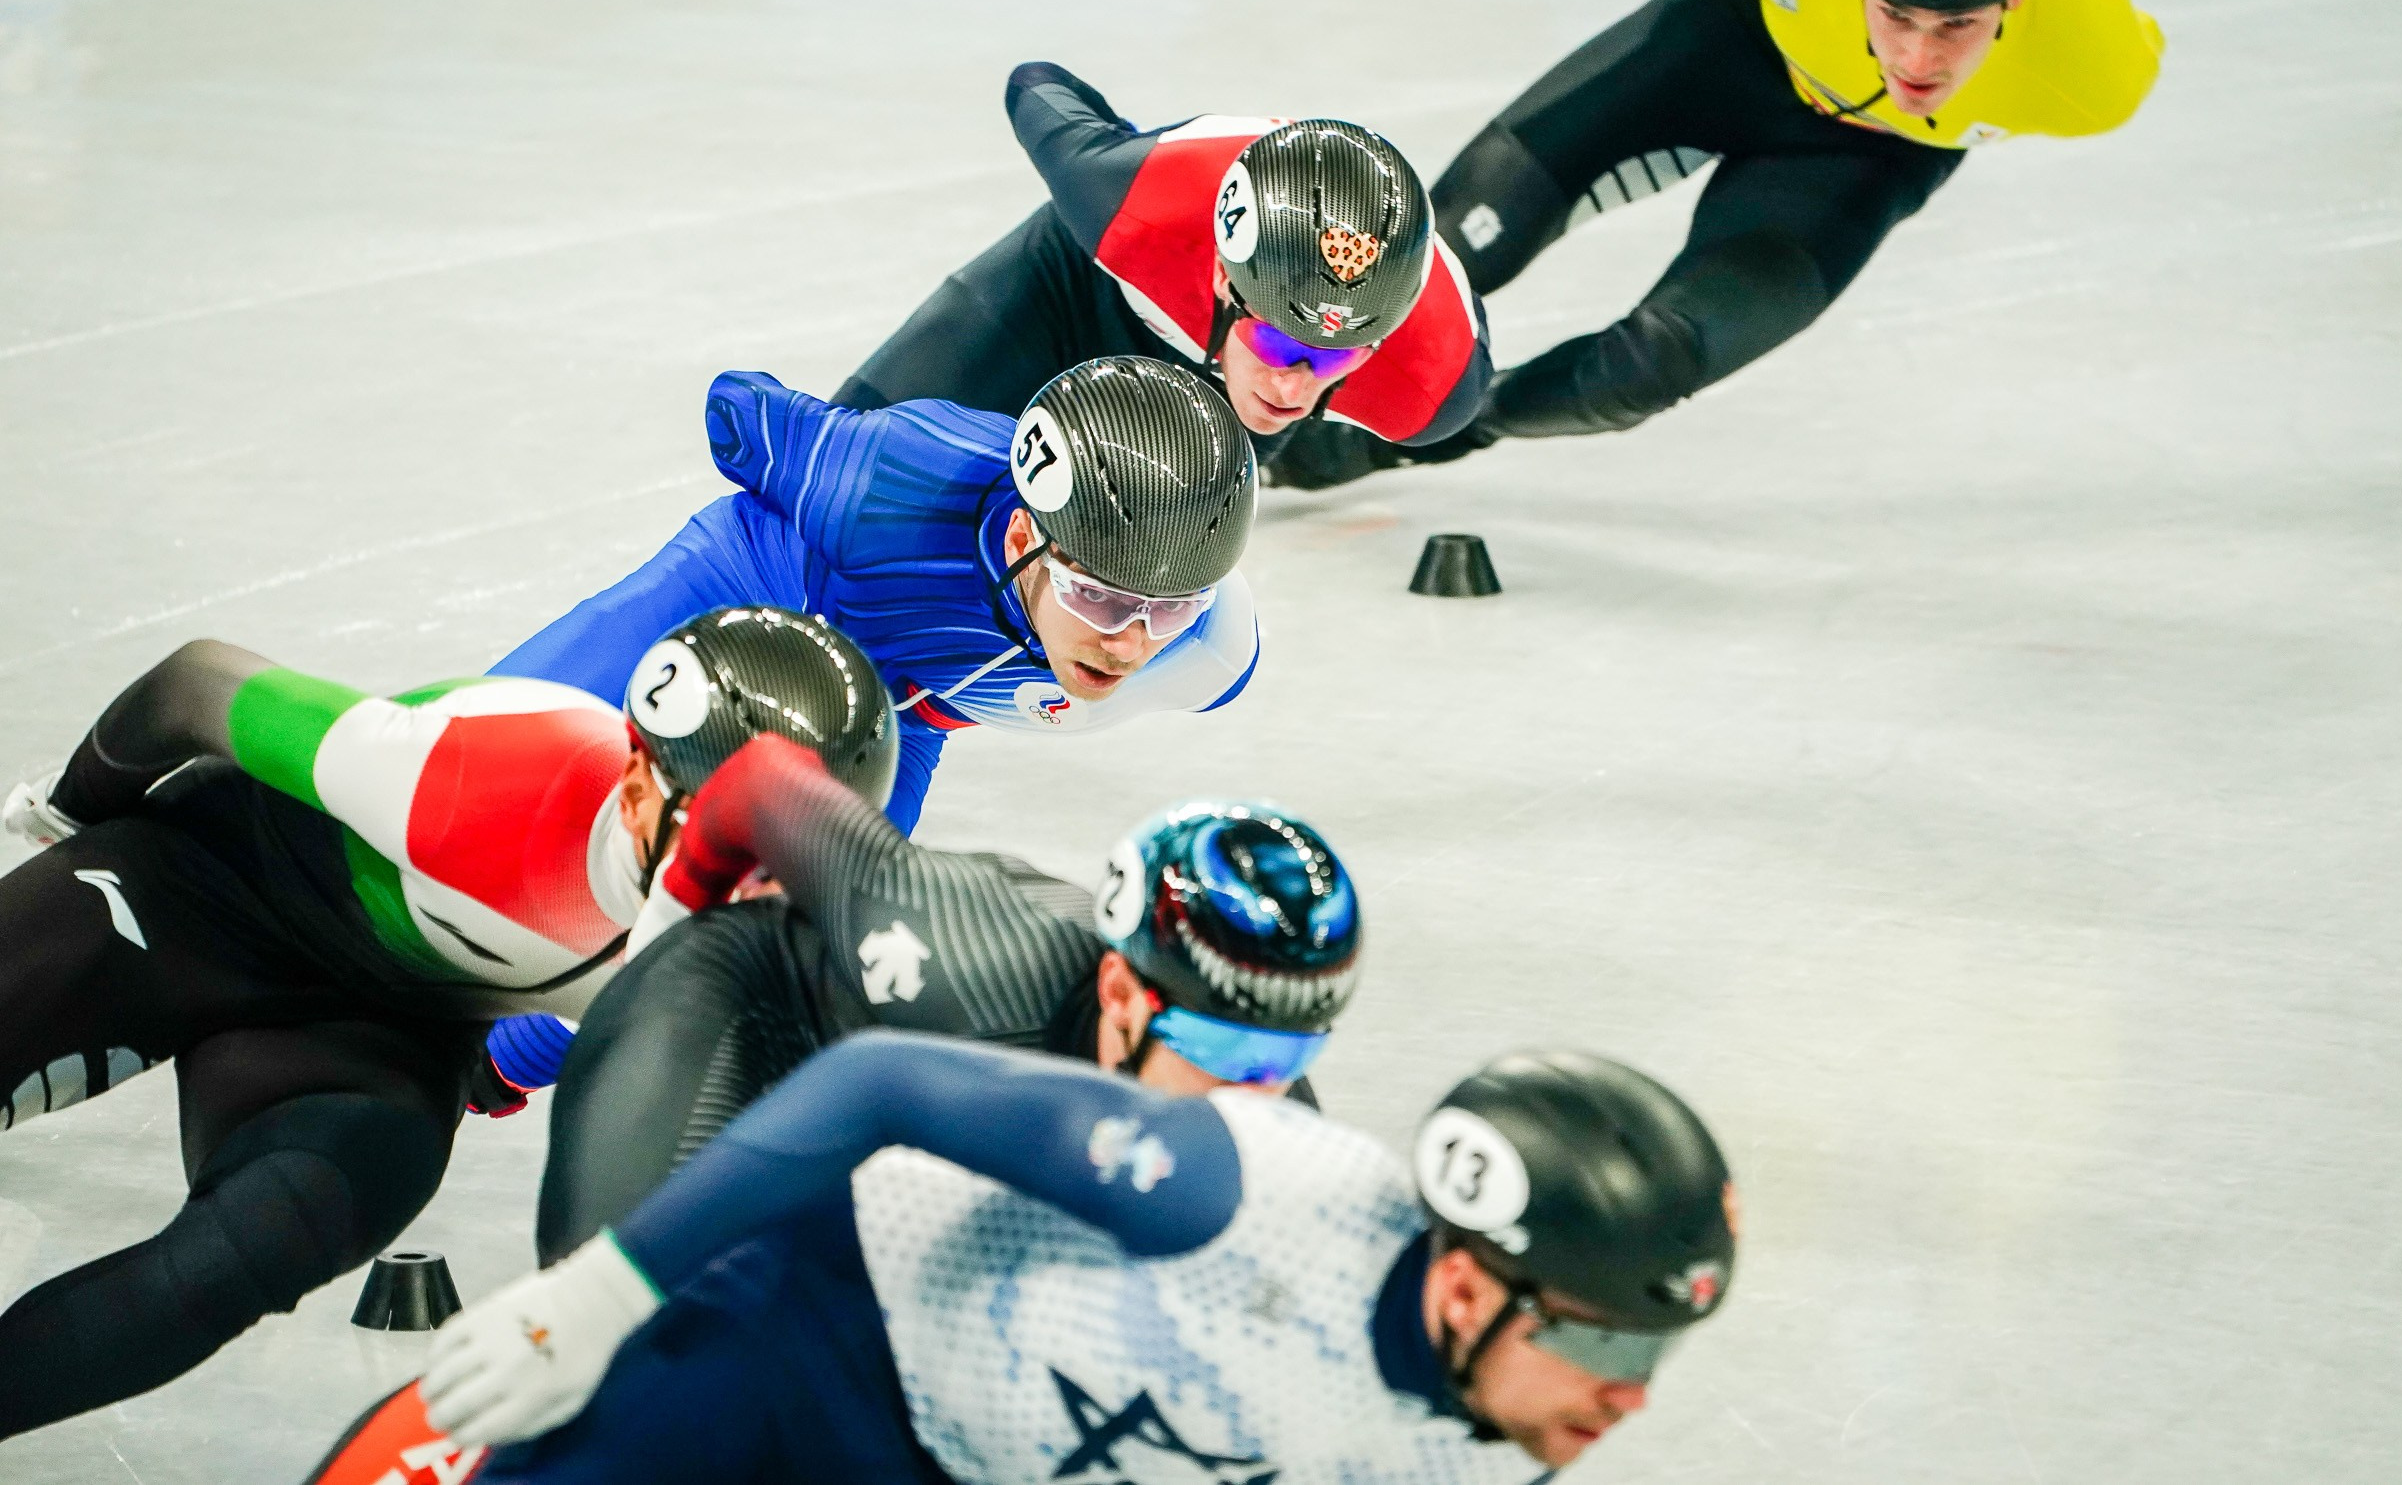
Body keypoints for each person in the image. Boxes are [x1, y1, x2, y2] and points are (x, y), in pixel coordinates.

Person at [302, 758, 1368, 1485]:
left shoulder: (1263, 1122)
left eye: (1292, 1057)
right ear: (1125, 996)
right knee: (622, 1353)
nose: (1260, 1090)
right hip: (737, 1010)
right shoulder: (960, 941)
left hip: (909, 1127)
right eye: (1228, 1051)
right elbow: (761, 779)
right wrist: (666, 926)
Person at [0, 607, 891, 1441]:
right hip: (196, 890)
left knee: (259, 1244)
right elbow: (192, 686)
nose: (756, 890)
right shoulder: (475, 775)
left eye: (803, 850)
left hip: (387, 1038)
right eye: (729, 844)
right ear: (633, 789)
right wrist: (72, 812)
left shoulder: (777, 937)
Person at [357, 1033, 1737, 1482]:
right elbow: (883, 1078)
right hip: (814, 1337)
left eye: (1657, 1349)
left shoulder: (1486, 1444)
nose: (1631, 1394)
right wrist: (595, 1296)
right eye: (1604, 1338)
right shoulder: (1239, 1186)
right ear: (1466, 1283)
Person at [1263, 0, 2164, 490]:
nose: (1917, 59)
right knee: (1435, 253)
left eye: (1956, 25)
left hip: (1858, 164)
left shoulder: (2094, 71)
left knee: (1649, 367)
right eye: (1894, 13)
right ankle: (1233, 400)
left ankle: (1402, 438)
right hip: (1726, 53)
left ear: (2016, 0)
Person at [495, 355, 1259, 838]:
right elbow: (735, 409)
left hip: (898, 712)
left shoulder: (1210, 651)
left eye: (1170, 608)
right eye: (1099, 598)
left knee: (801, 950)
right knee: (497, 754)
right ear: (1023, 539)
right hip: (758, 581)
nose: (1130, 642)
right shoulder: (884, 484)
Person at [828, 60, 1494, 452]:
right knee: (844, 464)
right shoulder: (1131, 202)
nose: (1292, 387)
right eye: (1276, 343)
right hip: (1072, 285)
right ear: (1223, 278)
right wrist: (1125, 147)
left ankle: (1304, 449)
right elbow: (1035, 82)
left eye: (1333, 357)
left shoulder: (1431, 387)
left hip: (1211, 383)